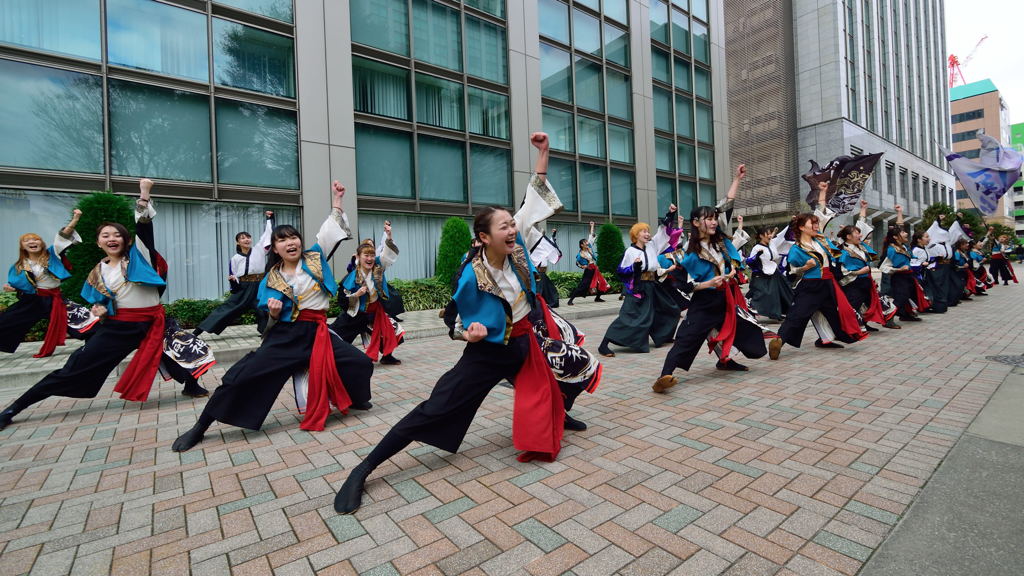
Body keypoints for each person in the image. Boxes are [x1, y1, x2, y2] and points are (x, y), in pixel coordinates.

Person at [332, 132, 568, 515]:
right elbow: (454, 321)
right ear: (483, 237)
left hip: (526, 342)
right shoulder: (470, 276)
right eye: (504, 227)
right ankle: (364, 468)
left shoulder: (518, 246)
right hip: (489, 354)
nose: (512, 229)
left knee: (559, 376)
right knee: (435, 409)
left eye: (512, 225)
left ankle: (561, 415)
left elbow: (532, 199)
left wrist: (543, 153)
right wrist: (468, 333)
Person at [171, 181, 374, 451]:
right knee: (240, 377)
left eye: (293, 237)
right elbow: (266, 320)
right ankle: (201, 426)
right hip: (285, 336)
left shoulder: (315, 258)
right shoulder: (270, 279)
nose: (290, 242)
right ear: (274, 249)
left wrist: (337, 201)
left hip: (318, 333)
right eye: (282, 239)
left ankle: (354, 398)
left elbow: (329, 232)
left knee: (361, 363)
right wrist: (274, 314)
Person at [0, 179, 209, 431]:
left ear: (126, 240)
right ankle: (15, 407)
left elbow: (143, 226)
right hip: (119, 327)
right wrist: (100, 309)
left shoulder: (139, 258)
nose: (112, 238)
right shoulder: (97, 272)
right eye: (105, 235)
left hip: (155, 321)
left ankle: (191, 384)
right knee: (74, 369)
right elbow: (102, 302)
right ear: (98, 242)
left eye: (117, 234)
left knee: (184, 354)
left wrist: (144, 194)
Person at [653, 205, 767, 393]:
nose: (714, 221)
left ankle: (725, 361)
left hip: (725, 299)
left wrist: (730, 273)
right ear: (696, 223)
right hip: (704, 303)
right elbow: (682, 284)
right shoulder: (689, 254)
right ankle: (663, 377)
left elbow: (727, 207)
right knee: (686, 338)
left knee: (745, 330)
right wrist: (708, 284)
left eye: (715, 218)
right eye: (709, 218)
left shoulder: (720, 242)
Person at [768, 182, 865, 360]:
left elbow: (821, 213)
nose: (815, 226)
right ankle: (778, 341)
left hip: (827, 285)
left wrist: (822, 192)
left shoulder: (820, 241)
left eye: (816, 224)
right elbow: (790, 271)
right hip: (810, 287)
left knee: (832, 314)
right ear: (801, 228)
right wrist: (805, 267)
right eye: (811, 224)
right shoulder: (797, 249)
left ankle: (826, 339)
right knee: (798, 315)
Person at [1, 209, 94, 357]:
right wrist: (11, 288)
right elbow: (17, 284)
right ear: (22, 246)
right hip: (32, 300)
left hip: (54, 298)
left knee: (82, 318)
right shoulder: (19, 265)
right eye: (27, 241)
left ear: (42, 243)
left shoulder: (52, 254)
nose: (32, 242)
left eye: (36, 239)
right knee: (7, 321)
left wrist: (76, 218)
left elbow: (63, 237)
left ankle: (95, 341)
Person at [597, 205, 680, 357]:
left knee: (671, 309)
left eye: (648, 231)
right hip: (638, 287)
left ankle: (664, 336)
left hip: (653, 285)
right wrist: (634, 267)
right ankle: (604, 344)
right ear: (636, 234)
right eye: (644, 231)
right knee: (631, 317)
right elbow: (621, 271)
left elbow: (664, 231)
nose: (647, 234)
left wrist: (670, 214)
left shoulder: (652, 245)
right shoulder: (630, 251)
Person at [331, 220, 403, 365]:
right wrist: (356, 295)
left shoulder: (378, 266)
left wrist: (389, 236)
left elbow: (387, 255)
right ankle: (334, 358)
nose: (370, 259)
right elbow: (342, 300)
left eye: (372, 255)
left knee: (392, 330)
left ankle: (387, 356)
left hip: (375, 313)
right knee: (338, 335)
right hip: (356, 313)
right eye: (366, 256)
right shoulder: (351, 278)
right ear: (358, 257)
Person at [193, 212, 274, 337]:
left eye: (248, 237)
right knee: (226, 309)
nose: (246, 239)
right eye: (242, 238)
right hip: (243, 287)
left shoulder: (260, 249)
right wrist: (232, 280)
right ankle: (197, 331)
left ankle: (265, 333)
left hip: (259, 285)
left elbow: (268, 235)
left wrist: (269, 218)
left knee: (262, 309)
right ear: (238, 242)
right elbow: (234, 277)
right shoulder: (235, 258)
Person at [837, 199, 898, 331]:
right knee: (854, 305)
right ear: (848, 236)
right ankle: (845, 329)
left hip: (867, 281)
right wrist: (859, 272)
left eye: (859, 233)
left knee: (880, 301)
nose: (860, 235)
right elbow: (843, 270)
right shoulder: (843, 251)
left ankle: (885, 321)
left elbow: (861, 225)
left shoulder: (861, 246)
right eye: (856, 233)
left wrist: (863, 209)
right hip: (853, 283)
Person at [745, 224, 791, 322]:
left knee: (783, 291)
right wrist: (757, 256)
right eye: (767, 234)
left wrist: (790, 224)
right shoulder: (757, 248)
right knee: (763, 294)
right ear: (761, 236)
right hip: (761, 274)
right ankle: (750, 305)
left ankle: (780, 312)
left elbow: (776, 239)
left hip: (774, 272)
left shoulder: (771, 244)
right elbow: (750, 261)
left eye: (770, 234)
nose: (770, 236)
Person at [566, 221, 608, 305]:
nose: (587, 243)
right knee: (583, 285)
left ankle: (598, 298)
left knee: (602, 282)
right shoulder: (580, 254)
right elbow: (577, 262)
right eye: (585, 242)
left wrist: (592, 226)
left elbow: (591, 236)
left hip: (595, 269)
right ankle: (570, 300)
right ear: (581, 245)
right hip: (588, 270)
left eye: (586, 242)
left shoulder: (589, 248)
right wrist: (582, 266)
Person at [530, 227, 562, 308]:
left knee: (549, 289)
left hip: (543, 273)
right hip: (537, 273)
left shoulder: (545, 248)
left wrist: (554, 234)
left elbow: (551, 244)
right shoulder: (534, 248)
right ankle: (537, 304)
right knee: (539, 289)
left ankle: (547, 303)